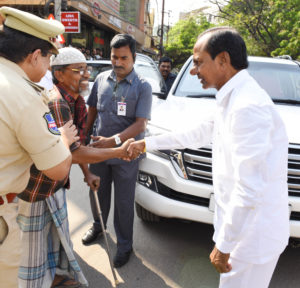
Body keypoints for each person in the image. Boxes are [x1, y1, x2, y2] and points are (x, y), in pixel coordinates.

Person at [127, 27, 289, 288]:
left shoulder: (248, 107)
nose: (193, 71)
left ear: (223, 60)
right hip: (242, 231)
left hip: (251, 238)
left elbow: (249, 188)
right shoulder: (233, 97)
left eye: (199, 62)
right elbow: (197, 134)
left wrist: (224, 244)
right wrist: (147, 143)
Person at [17, 47, 133, 288]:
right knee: (33, 252)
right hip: (38, 189)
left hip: (56, 184)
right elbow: (75, 152)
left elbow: (75, 145)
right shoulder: (58, 103)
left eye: (86, 69)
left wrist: (88, 172)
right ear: (59, 75)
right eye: (79, 70)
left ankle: (58, 278)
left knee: (55, 239)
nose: (86, 75)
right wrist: (119, 152)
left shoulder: (77, 101)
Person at [0, 6, 78, 288]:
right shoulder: (25, 95)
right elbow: (58, 169)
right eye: (48, 59)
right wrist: (64, 140)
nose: (47, 68)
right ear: (35, 56)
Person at [82, 34, 152, 268]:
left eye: (124, 58)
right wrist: (85, 135)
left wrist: (113, 141)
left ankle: (124, 245)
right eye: (114, 57)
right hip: (98, 152)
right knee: (97, 194)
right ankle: (98, 227)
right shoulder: (101, 79)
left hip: (126, 155)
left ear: (133, 57)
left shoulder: (143, 86)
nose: (118, 62)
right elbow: (92, 109)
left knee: (124, 202)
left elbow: (141, 124)